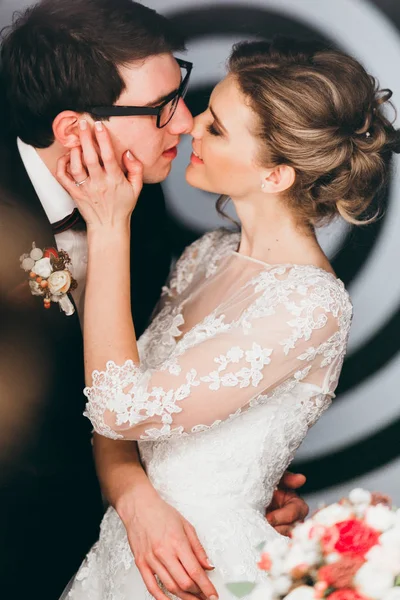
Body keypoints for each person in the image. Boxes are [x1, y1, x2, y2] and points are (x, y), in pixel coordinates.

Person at [57, 37, 400, 600]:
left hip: (203, 569)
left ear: (275, 176)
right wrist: (136, 499)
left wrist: (108, 225)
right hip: (128, 545)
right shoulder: (207, 255)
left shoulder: (310, 305)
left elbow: (118, 405)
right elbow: (109, 415)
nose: (191, 127)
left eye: (215, 127)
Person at [0, 2, 307, 599]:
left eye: (183, 94)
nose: (188, 124)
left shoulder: (145, 187)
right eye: (162, 109)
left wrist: (226, 483)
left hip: (132, 546)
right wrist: (137, 494)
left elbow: (149, 363)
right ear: (73, 131)